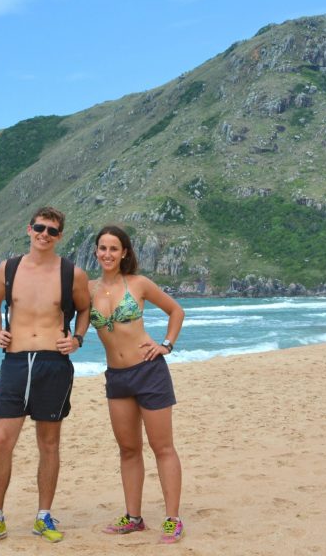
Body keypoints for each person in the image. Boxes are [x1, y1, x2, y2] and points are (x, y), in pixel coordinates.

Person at [0, 206, 91, 545]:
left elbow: (85, 308)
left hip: (53, 365)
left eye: (52, 231)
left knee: (49, 443)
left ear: (59, 236)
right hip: (14, 363)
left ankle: (44, 516)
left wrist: (78, 339)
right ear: (29, 229)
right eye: (39, 228)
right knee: (2, 441)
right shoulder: (9, 269)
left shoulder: (72, 273)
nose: (44, 234)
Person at [90, 225, 186, 544]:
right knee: (128, 449)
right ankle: (134, 518)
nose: (107, 254)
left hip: (149, 371)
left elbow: (176, 310)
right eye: (102, 248)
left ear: (125, 253)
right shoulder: (86, 290)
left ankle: (172, 520)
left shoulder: (138, 284)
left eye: (113, 249)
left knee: (162, 447)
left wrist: (166, 345)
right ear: (96, 251)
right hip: (116, 377)